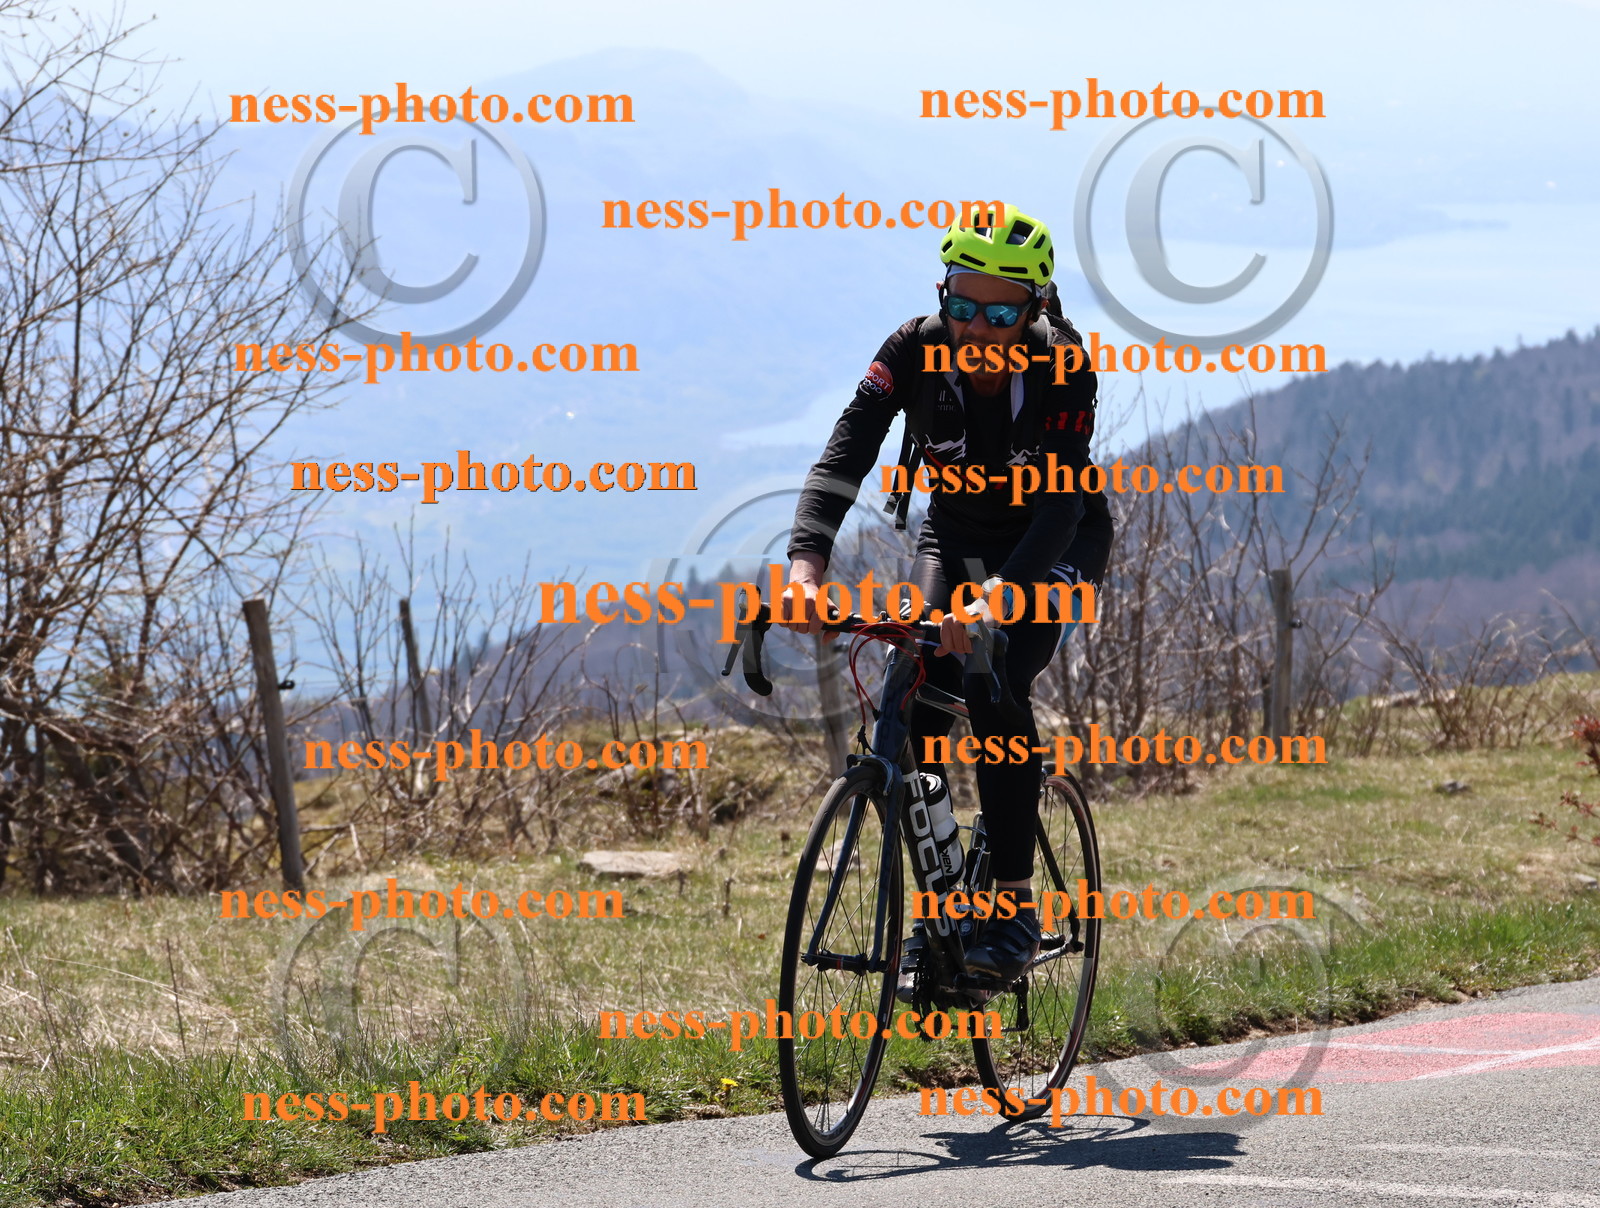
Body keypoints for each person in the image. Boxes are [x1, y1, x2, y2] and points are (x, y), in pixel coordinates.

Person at [778, 204, 1113, 989]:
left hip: (1052, 544)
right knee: (914, 693)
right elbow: (845, 454)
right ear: (943, 294)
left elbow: (1063, 506)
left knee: (994, 679)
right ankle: (937, 919)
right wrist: (804, 567)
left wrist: (995, 603)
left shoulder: (1064, 366)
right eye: (962, 303)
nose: (978, 327)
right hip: (954, 539)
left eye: (1000, 312)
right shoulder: (913, 348)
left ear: (1032, 309)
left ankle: (1013, 906)